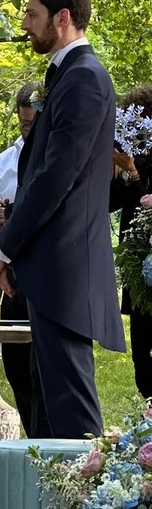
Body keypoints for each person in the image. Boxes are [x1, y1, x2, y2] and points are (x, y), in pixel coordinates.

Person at [0, 0, 126, 439]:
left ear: (62, 18)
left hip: (66, 272)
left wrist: (2, 248)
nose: (25, 24)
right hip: (49, 270)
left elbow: (54, 180)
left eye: (33, 15)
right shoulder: (67, 76)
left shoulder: (83, 79)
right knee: (45, 418)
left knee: (73, 422)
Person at [0, 82, 42, 436]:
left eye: (34, 122)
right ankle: (32, 440)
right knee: (17, 369)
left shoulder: (56, 156)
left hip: (48, 272)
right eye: (24, 124)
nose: (28, 129)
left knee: (43, 367)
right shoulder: (4, 162)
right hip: (11, 276)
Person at [110, 85, 152, 399]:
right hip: (137, 269)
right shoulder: (132, 155)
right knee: (140, 358)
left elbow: (147, 207)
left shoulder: (138, 163)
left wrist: (133, 173)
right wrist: (113, 172)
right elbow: (112, 203)